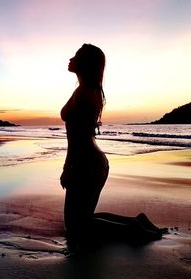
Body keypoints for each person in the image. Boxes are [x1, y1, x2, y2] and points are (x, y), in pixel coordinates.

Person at [60, 44, 165, 250]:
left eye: (76, 56)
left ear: (85, 63)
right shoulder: (89, 90)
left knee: (75, 227)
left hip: (85, 162)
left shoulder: (84, 93)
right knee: (83, 219)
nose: (70, 58)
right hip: (94, 161)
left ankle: (134, 231)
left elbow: (79, 139)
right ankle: (136, 222)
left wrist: (68, 168)